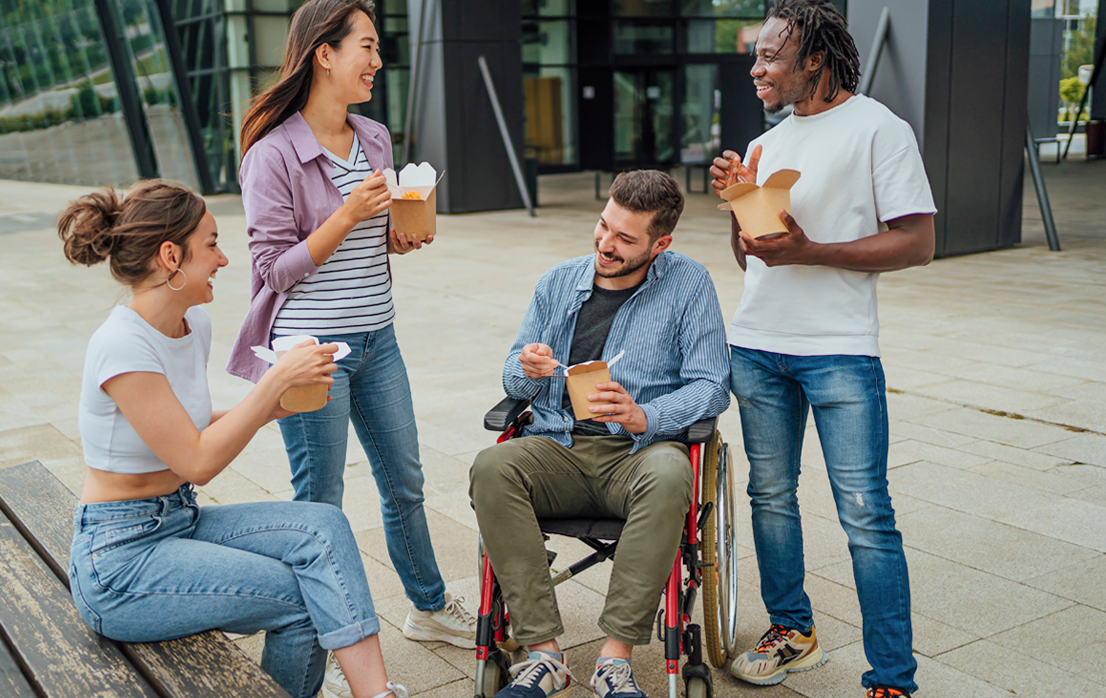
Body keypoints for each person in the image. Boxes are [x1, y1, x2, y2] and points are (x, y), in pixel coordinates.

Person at [61, 180, 407, 698]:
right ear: (171, 256)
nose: (225, 259)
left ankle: (375, 694)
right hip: (121, 560)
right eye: (213, 243)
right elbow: (198, 460)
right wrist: (272, 384)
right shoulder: (121, 345)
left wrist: (277, 406)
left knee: (323, 526)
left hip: (178, 519)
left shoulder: (190, 324)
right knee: (302, 596)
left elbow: (189, 429)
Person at [226, 2, 473, 694]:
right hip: (311, 354)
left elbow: (378, 234)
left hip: (380, 337)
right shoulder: (272, 154)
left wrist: (400, 231)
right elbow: (273, 268)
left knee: (406, 481)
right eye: (365, 46)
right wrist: (347, 215)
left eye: (377, 47)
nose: (376, 60)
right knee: (321, 506)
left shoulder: (374, 137)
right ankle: (327, 644)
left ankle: (427, 609)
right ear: (323, 54)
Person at [709, 2, 936, 697]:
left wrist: (813, 250)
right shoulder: (768, 143)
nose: (756, 69)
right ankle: (792, 630)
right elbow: (754, 261)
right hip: (756, 345)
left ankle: (892, 677)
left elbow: (919, 241)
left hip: (839, 350)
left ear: (814, 59)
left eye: (770, 56)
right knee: (770, 496)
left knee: (866, 512)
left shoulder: (878, 129)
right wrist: (740, 206)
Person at [469, 170, 731, 698]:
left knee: (670, 471)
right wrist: (528, 366)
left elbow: (712, 385)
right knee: (492, 466)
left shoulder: (689, 285)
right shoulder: (559, 282)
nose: (606, 245)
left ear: (661, 244)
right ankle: (544, 657)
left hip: (638, 452)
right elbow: (511, 375)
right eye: (604, 226)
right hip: (559, 446)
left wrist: (646, 416)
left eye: (626, 238)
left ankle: (616, 659)